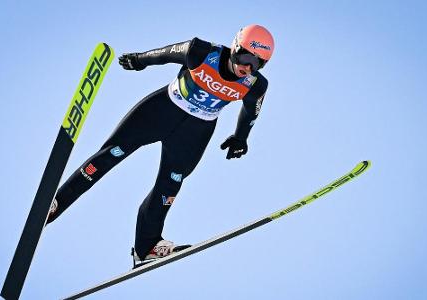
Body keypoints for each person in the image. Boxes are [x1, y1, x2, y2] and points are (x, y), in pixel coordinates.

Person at [46, 24, 274, 264]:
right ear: (235, 46)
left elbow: (251, 112)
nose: (247, 67)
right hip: (161, 111)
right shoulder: (202, 52)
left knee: (170, 184)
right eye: (246, 56)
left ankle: (146, 247)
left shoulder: (255, 84)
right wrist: (140, 60)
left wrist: (241, 138)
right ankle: (56, 203)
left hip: (195, 132)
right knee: (111, 153)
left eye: (257, 63)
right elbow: (165, 53)